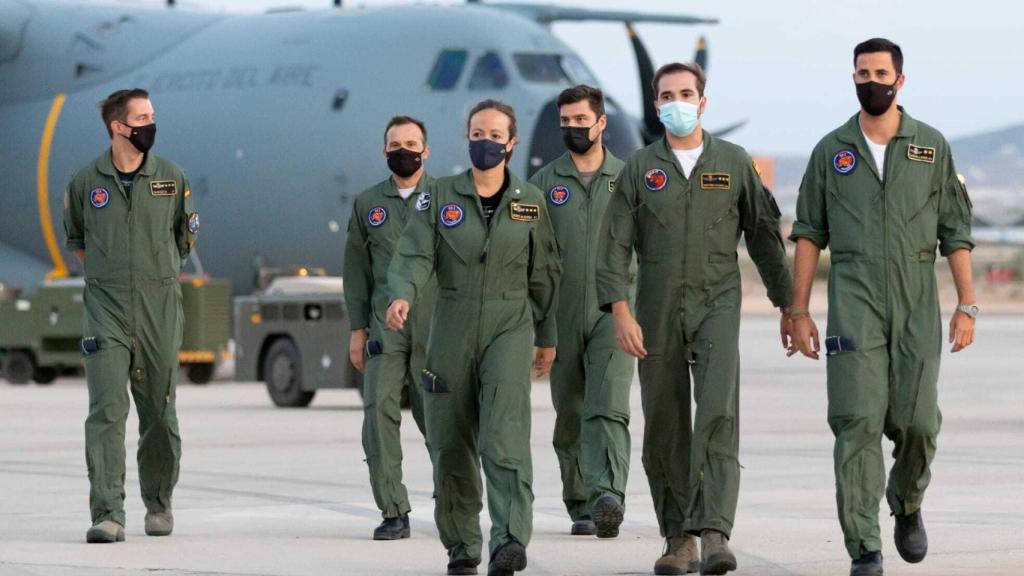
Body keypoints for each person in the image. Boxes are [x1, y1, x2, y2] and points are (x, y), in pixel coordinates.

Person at [788, 38, 977, 576]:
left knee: (918, 424)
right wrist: (798, 311)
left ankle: (908, 501)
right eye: (861, 72)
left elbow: (955, 232)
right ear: (852, 78)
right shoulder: (832, 151)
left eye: (880, 72)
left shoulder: (931, 147)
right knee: (858, 422)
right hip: (854, 301)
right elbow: (807, 234)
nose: (871, 81)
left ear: (900, 79)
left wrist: (968, 304)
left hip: (918, 300)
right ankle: (864, 548)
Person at [596, 63, 793, 575]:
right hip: (655, 310)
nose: (676, 102)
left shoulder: (734, 162)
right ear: (657, 105)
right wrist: (619, 310)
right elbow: (614, 245)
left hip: (718, 305)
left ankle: (714, 533)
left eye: (686, 93)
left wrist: (788, 305)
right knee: (664, 422)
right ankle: (677, 538)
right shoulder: (639, 169)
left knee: (717, 416)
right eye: (666, 95)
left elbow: (765, 236)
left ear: (703, 102)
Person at [385, 99, 561, 576]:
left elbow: (544, 270)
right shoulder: (438, 196)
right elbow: (413, 255)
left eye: (494, 134)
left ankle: (508, 539)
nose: (485, 142)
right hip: (450, 327)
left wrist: (548, 333)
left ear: (512, 142)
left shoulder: (530, 202)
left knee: (504, 439)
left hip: (510, 324)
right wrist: (401, 295)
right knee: (451, 443)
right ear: (466, 138)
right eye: (476, 133)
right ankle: (462, 545)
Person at [63, 88, 198, 543]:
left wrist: (154, 276)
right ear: (118, 127)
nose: (150, 124)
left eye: (152, 116)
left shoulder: (172, 178)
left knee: (160, 412)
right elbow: (78, 242)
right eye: (142, 117)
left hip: (160, 306)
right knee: (106, 410)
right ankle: (108, 514)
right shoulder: (86, 183)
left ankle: (158, 504)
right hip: (106, 307)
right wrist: (114, 276)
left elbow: (184, 238)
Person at [528, 85, 634, 539]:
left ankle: (608, 493)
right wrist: (536, 323)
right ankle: (580, 502)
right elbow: (528, 258)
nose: (572, 129)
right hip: (560, 312)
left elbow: (647, 250)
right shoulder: (543, 185)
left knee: (607, 404)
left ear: (601, 122)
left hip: (615, 311)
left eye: (580, 121)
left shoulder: (628, 180)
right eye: (565, 122)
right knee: (570, 411)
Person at [343, 115, 436, 540]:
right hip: (385, 328)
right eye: (395, 144)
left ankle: (455, 503)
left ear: (426, 151)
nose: (404, 150)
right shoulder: (367, 205)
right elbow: (356, 271)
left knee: (441, 420)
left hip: (436, 327)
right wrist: (357, 330)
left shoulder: (446, 197)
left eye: (412, 143)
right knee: (376, 417)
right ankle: (394, 510)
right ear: (384, 151)